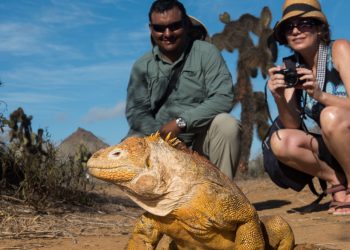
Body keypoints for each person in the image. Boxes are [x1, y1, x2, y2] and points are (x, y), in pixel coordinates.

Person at [125, 0, 241, 179]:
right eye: (159, 28)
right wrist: (165, 139)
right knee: (127, 146)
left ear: (186, 25)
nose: (167, 34)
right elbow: (136, 113)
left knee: (227, 125)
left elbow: (223, 97)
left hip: (201, 143)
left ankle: (221, 199)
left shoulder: (207, 53)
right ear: (151, 29)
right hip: (159, 145)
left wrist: (181, 123)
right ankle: (155, 204)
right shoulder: (142, 65)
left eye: (175, 26)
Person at [267, 0, 350, 215]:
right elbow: (293, 124)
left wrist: (320, 95)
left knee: (330, 115)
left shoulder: (338, 49)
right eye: (289, 27)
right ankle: (336, 182)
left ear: (319, 27)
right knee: (280, 140)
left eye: (304, 24)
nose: (295, 31)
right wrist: (278, 97)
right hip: (327, 146)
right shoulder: (290, 67)